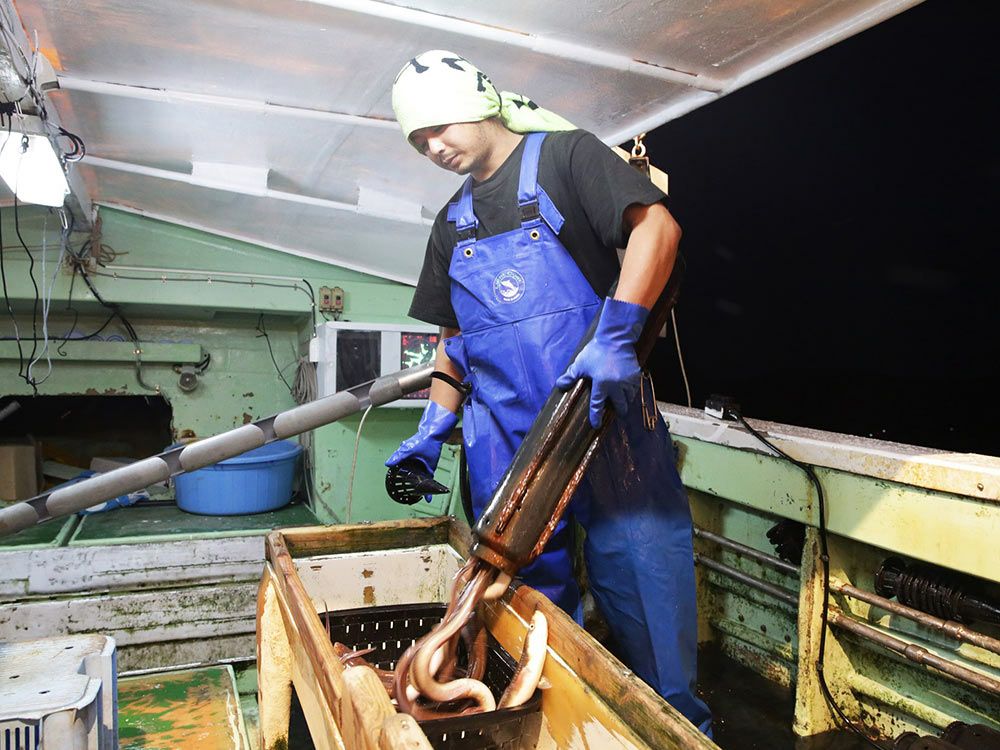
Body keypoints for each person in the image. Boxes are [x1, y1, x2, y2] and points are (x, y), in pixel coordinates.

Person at [385, 50, 712, 735]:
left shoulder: (567, 158)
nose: (433, 147)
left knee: (648, 593)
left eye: (438, 127)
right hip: (507, 444)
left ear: (478, 103)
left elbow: (658, 229)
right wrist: (433, 428)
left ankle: (677, 731)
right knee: (533, 615)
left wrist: (617, 334)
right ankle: (559, 734)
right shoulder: (451, 222)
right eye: (417, 140)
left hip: (600, 416)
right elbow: (454, 338)